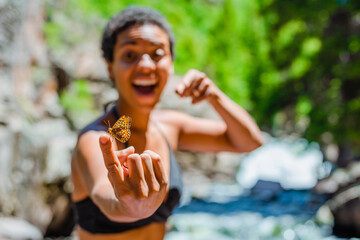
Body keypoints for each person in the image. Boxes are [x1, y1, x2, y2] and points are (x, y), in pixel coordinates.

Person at [71, 5, 263, 240]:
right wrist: (133, 206)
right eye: (129, 55)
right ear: (110, 67)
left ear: (171, 64)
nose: (145, 65)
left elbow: (249, 141)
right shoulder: (97, 138)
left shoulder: (169, 126)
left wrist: (215, 96)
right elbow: (106, 196)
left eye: (157, 54)